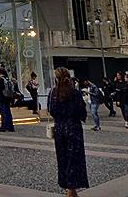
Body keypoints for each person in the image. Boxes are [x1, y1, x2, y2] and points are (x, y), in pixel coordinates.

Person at [49, 67, 89, 196]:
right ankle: (72, 189)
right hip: (74, 128)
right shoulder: (75, 93)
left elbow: (52, 111)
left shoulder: (53, 93)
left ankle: (68, 187)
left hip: (60, 128)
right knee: (75, 158)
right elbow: (82, 112)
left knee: (63, 158)